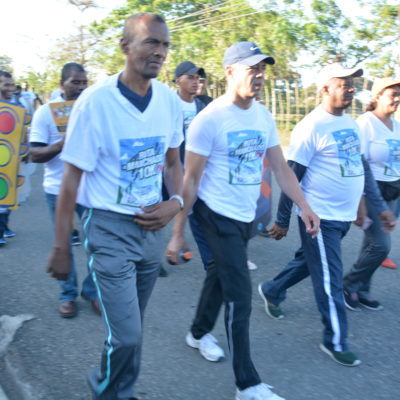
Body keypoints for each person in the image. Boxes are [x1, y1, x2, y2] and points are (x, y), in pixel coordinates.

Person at [167, 41, 319, 400]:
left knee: (220, 277)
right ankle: (247, 384)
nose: (260, 75)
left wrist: (305, 206)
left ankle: (198, 331)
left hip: (244, 215)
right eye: (253, 68)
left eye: (263, 68)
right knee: (240, 295)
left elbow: (281, 169)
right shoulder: (210, 120)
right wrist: (177, 233)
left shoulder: (263, 116)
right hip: (214, 214)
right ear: (231, 71)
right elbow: (189, 180)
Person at [47, 13, 183, 400]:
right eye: (150, 42)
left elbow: (173, 164)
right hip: (108, 227)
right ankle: (108, 392)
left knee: (132, 327)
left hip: (151, 229)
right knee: (128, 334)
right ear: (126, 46)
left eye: (165, 44)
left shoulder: (170, 102)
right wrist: (61, 248)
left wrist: (176, 204)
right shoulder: (95, 102)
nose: (159, 51)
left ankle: (121, 386)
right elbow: (70, 180)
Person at [258, 63, 395, 367]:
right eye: (343, 83)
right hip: (318, 217)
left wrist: (379, 207)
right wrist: (282, 219)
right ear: (325, 88)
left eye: (352, 84)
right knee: (330, 279)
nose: (350, 89)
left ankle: (272, 289)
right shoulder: (312, 126)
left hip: (343, 216)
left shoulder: (350, 124)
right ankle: (335, 339)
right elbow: (291, 174)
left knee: (311, 262)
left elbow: (363, 170)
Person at [29, 62, 99, 318]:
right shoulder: (46, 113)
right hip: (57, 190)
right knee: (66, 245)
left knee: (98, 245)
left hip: (91, 189)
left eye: (84, 82)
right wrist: (63, 143)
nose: (81, 88)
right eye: (75, 83)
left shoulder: (94, 110)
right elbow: (34, 154)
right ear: (62, 85)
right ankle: (67, 295)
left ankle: (92, 292)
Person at [343, 77, 400, 309]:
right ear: (377, 96)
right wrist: (361, 202)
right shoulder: (365, 123)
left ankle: (361, 290)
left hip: (395, 190)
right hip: (373, 191)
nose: (397, 99)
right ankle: (348, 284)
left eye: (399, 94)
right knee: (380, 246)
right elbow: (358, 163)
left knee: (371, 245)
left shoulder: (396, 125)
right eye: (392, 94)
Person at [0, 70, 17, 244]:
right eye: (7, 84)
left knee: (8, 194)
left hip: (10, 160)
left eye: (12, 84)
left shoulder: (15, 106)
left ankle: (4, 225)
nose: (11, 88)